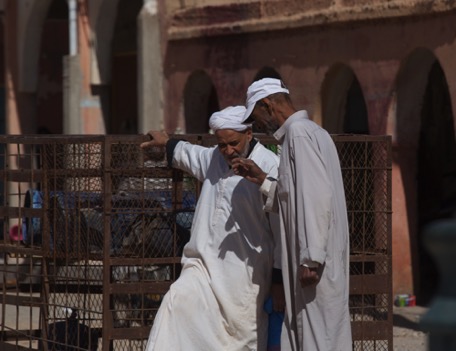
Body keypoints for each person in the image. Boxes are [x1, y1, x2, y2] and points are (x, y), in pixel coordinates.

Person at [140, 105, 283, 351]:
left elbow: (282, 229)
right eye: (222, 145)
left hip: (246, 274)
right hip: (203, 267)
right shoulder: (215, 158)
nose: (228, 151)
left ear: (249, 134)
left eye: (234, 143)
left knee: (241, 336)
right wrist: (166, 142)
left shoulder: (269, 166)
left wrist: (278, 280)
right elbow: (190, 153)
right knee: (177, 301)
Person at [232, 78, 352, 351]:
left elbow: (315, 197)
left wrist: (311, 257)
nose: (258, 125)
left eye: (256, 117)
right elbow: (296, 198)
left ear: (267, 105)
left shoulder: (298, 134)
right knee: (317, 334)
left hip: (314, 260)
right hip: (319, 255)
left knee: (318, 337)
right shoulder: (311, 132)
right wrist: (262, 179)